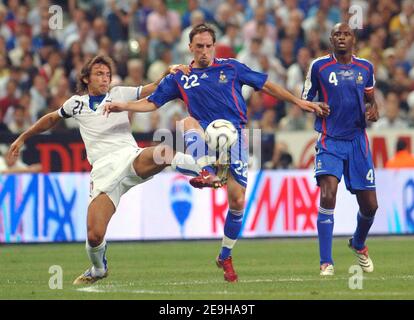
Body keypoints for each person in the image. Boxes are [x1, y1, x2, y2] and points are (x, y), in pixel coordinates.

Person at [104, 24, 329, 282]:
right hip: (204, 136)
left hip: (235, 138)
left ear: (214, 46)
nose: (204, 51)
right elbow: (152, 102)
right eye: (199, 46)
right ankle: (208, 171)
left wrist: (298, 102)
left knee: (236, 201)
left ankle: (225, 255)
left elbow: (266, 85)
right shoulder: (181, 76)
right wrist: (122, 105)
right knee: (187, 122)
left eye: (208, 46)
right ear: (190, 47)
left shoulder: (231, 67)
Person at [7, 55, 203, 285]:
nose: (105, 78)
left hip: (130, 157)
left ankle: (205, 169)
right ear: (86, 78)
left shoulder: (119, 94)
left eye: (107, 74)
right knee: (94, 234)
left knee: (162, 153)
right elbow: (51, 118)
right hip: (102, 172)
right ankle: (99, 269)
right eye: (99, 74)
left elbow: (152, 88)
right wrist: (23, 137)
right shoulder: (75, 104)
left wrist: (168, 73)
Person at [302, 23, 380, 276]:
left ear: (353, 38)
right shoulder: (319, 67)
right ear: (331, 39)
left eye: (346, 34)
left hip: (358, 141)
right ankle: (326, 262)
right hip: (330, 140)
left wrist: (374, 107)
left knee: (370, 207)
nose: (341, 38)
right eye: (337, 34)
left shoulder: (366, 68)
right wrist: (315, 106)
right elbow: (305, 98)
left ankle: (358, 243)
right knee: (327, 195)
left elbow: (370, 96)